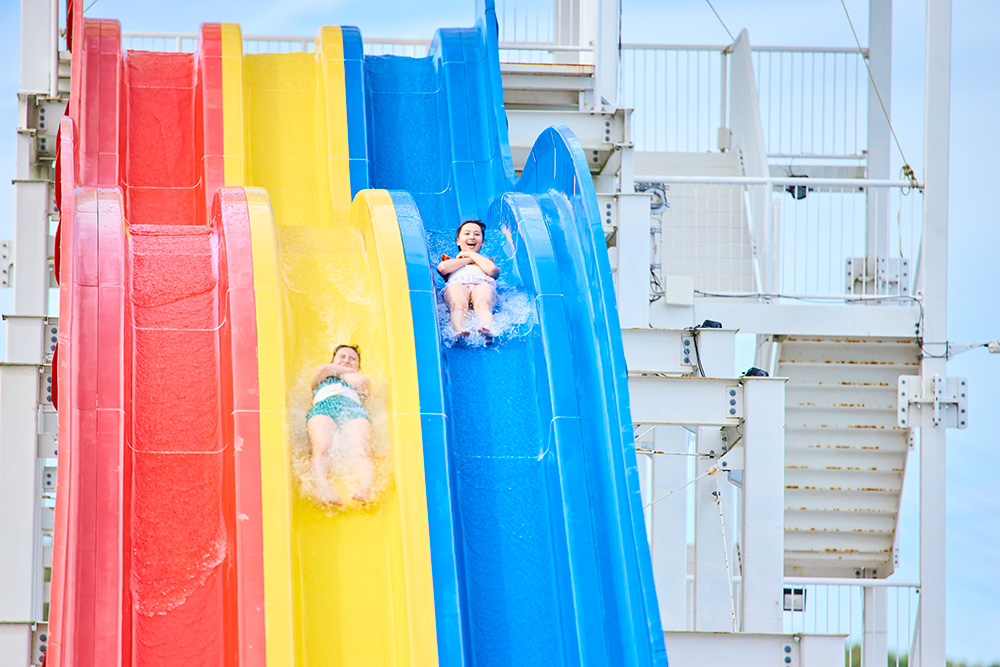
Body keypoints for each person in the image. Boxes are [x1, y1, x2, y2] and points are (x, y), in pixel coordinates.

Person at [305, 344, 374, 505]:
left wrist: (343, 371)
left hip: (353, 410)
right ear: (333, 360)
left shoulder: (358, 378)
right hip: (323, 408)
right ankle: (324, 487)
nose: (347, 360)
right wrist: (346, 371)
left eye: (352, 359)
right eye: (342, 357)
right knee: (322, 447)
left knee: (362, 449)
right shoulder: (323, 375)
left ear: (359, 366)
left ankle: (366, 487)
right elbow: (322, 370)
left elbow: (362, 382)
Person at [437, 220, 500, 341]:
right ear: (458, 241)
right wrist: (468, 259)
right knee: (459, 304)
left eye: (477, 234)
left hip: (482, 285)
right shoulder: (451, 261)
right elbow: (442, 268)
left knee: (483, 304)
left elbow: (493, 271)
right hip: (458, 285)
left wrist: (472, 255)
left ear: (482, 243)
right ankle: (459, 330)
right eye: (467, 233)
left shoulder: (485, 262)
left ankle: (487, 329)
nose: (472, 237)